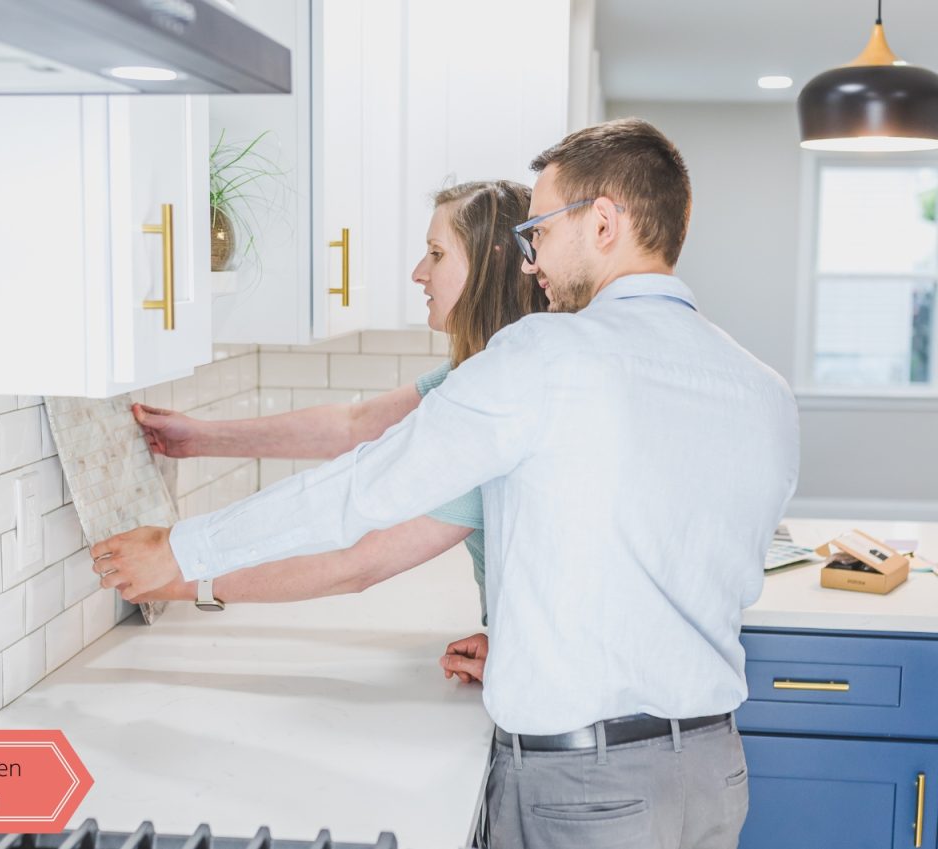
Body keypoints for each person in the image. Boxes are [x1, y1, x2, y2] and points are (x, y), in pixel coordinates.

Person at [91, 118, 800, 849]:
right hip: (715, 775)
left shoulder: (544, 357)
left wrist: (184, 550)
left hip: (586, 790)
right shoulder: (762, 390)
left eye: (543, 232)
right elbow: (677, 562)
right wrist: (533, 648)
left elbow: (364, 488)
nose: (532, 261)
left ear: (604, 222)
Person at [125, 179, 543, 684]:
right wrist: (202, 438)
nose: (418, 272)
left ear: (491, 261)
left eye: (436, 254)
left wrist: (177, 577)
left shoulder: (493, 401)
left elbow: (358, 563)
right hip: (530, 661)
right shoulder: (482, 372)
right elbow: (357, 425)